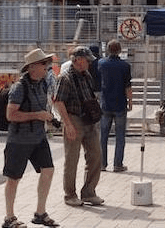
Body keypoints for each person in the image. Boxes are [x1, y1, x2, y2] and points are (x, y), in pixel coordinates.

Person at [2, 48, 60, 228]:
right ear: (33, 67)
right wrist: (38, 115)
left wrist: (48, 118)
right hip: (19, 140)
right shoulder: (19, 88)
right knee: (13, 178)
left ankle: (40, 213)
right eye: (44, 64)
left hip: (38, 137)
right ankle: (9, 218)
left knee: (48, 170)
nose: (47, 67)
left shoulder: (42, 84)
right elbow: (11, 115)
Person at [53, 46, 104, 207]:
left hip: (89, 119)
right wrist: (67, 124)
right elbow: (58, 101)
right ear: (77, 61)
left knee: (96, 155)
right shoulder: (65, 78)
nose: (89, 63)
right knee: (72, 159)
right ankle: (70, 194)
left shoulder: (86, 75)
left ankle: (89, 192)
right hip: (73, 118)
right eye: (86, 60)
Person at [98, 39, 132, 172]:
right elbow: (127, 85)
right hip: (120, 104)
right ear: (119, 50)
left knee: (103, 136)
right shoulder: (125, 66)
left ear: (107, 49)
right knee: (120, 135)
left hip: (105, 103)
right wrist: (130, 101)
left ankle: (102, 163)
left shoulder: (101, 64)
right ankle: (118, 164)